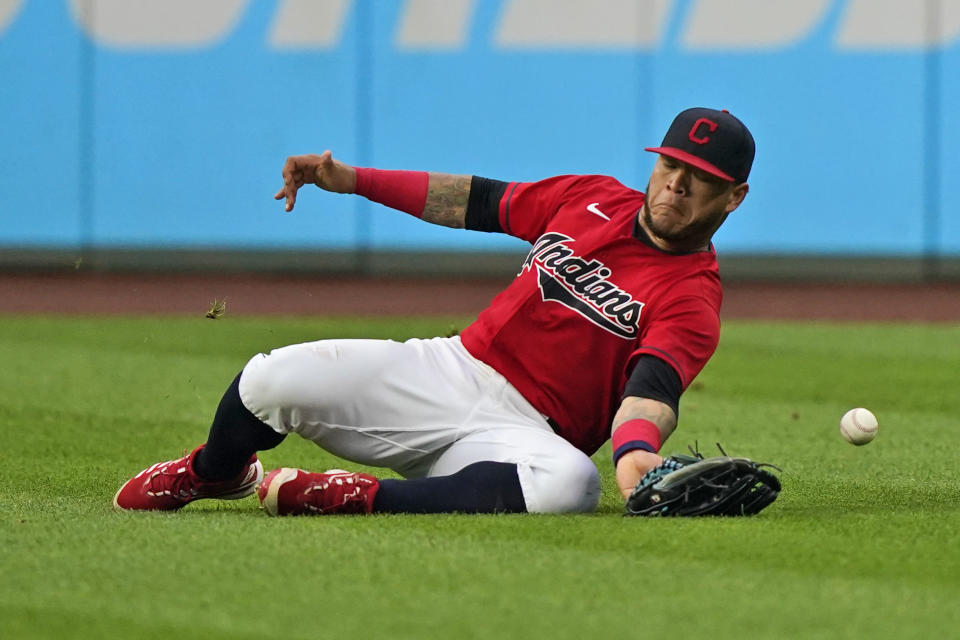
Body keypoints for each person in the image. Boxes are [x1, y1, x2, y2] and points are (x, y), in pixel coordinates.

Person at [114, 107, 754, 516]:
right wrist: (356, 179)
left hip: (527, 437)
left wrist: (634, 455)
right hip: (451, 369)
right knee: (268, 379)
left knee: (570, 487)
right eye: (671, 164)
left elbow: (651, 391)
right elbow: (475, 201)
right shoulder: (590, 199)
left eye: (699, 177)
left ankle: (349, 497)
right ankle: (214, 473)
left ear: (733, 197)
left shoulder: (692, 298)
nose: (676, 183)